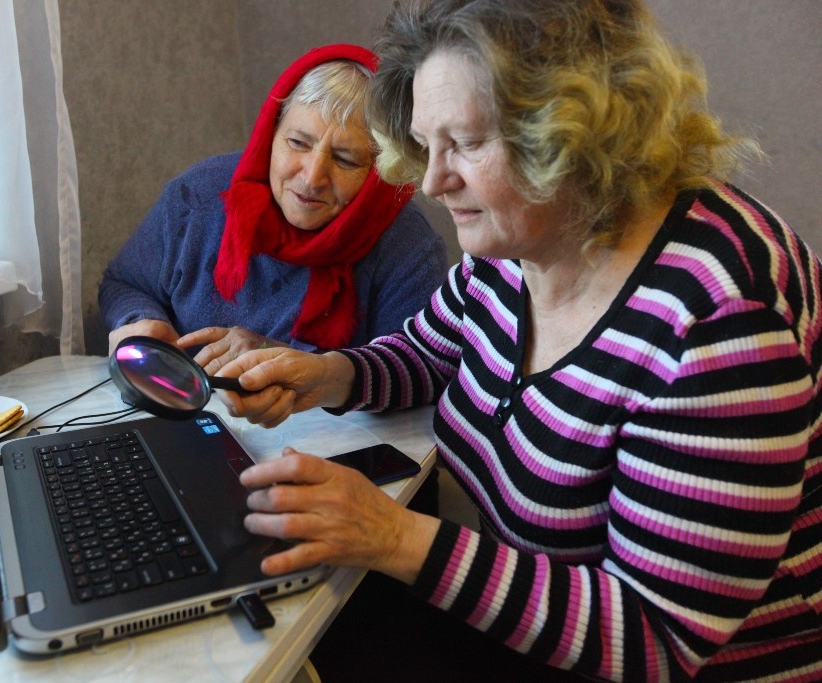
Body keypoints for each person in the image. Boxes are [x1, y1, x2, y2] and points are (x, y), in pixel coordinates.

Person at [215, 1, 822, 681]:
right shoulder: (521, 235)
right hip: (539, 625)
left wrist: (393, 535)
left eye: (467, 144)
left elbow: (657, 638)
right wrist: (331, 375)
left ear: (575, 131)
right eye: (428, 144)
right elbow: (434, 351)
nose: (433, 181)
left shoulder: (717, 318)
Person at [98, 44, 447, 372]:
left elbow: (419, 370)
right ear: (271, 132)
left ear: (380, 170)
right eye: (297, 142)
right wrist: (139, 321)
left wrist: (280, 359)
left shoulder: (408, 247)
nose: (312, 177)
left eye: (345, 160)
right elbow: (125, 283)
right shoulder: (198, 196)